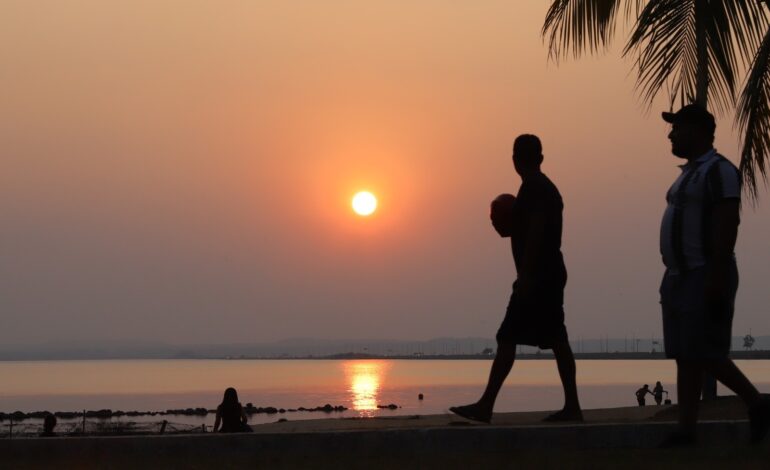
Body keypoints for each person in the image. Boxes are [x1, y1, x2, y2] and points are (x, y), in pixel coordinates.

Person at [658, 104, 770, 446]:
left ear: (697, 131)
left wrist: (716, 275)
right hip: (679, 275)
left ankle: (756, 403)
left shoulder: (719, 171)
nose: (670, 134)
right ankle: (686, 429)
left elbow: (727, 222)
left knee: (705, 351)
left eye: (676, 127)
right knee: (685, 354)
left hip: (704, 272)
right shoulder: (689, 174)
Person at [450, 134, 582, 423]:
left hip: (538, 275)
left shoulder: (535, 188)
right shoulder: (537, 188)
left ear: (514, 160)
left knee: (512, 336)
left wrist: (525, 274)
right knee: (552, 338)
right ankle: (571, 405)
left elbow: (536, 230)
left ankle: (487, 406)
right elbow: (525, 227)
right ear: (541, 157)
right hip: (544, 272)